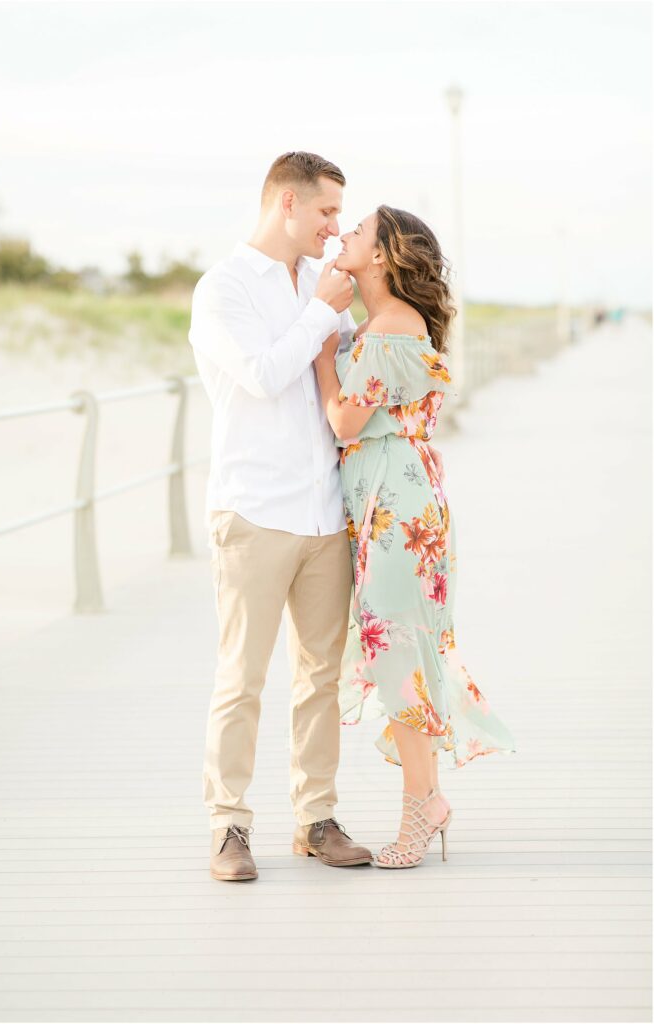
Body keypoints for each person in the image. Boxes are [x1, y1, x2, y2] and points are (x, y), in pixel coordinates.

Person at [188, 151, 380, 881]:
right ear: (287, 204)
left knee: (320, 677)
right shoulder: (224, 288)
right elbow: (265, 375)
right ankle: (229, 826)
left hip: (323, 512)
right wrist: (325, 312)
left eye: (341, 215)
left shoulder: (320, 283)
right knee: (241, 677)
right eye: (328, 211)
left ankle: (316, 817)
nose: (336, 228)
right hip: (254, 509)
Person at [313, 205, 517, 869]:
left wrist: (321, 349)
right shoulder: (375, 325)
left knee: (396, 655)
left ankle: (419, 810)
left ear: (381, 256)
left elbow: (345, 420)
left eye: (358, 231)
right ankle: (427, 800)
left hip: (396, 506)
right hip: (385, 499)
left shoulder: (394, 325)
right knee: (394, 653)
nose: (344, 234)